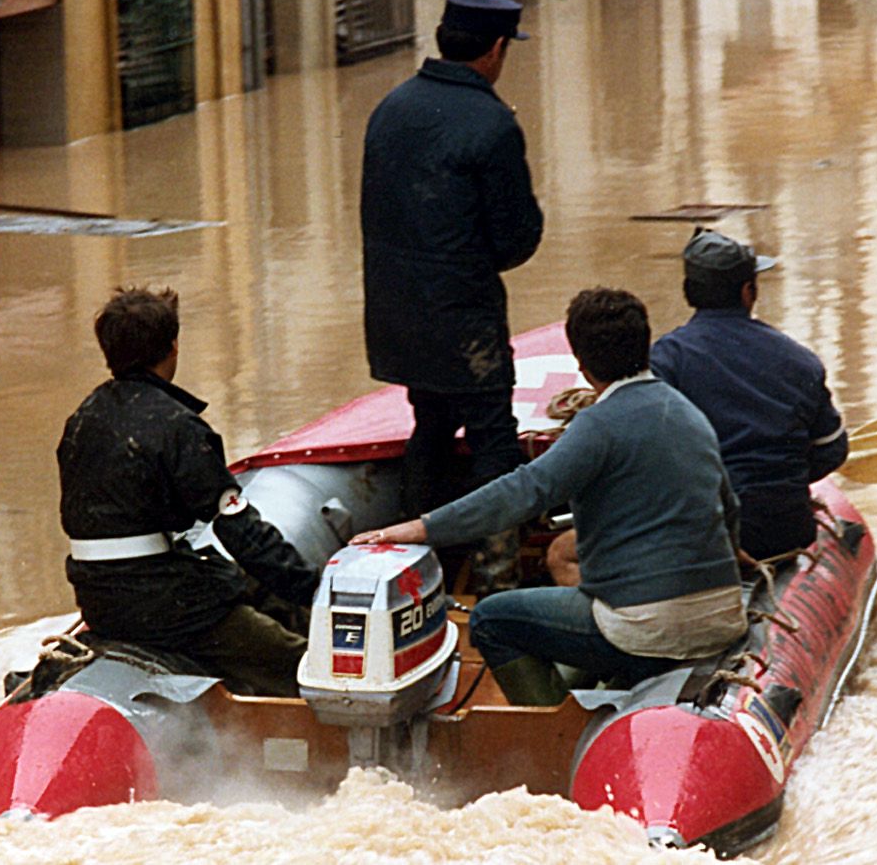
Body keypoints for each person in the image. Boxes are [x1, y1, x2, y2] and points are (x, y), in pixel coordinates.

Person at [351, 288, 746, 706]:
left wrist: (422, 528)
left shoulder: (596, 426)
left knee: (491, 619)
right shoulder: (690, 413)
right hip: (721, 614)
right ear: (645, 344)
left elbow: (522, 492)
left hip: (644, 626)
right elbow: (730, 510)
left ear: (580, 361)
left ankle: (555, 730)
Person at [360, 0, 544, 585]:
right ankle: (497, 578)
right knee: (493, 436)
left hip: (396, 312)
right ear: (494, 50)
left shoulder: (389, 108)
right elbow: (517, 239)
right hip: (464, 317)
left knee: (431, 424)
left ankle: (416, 564)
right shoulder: (492, 124)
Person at [57, 286, 319, 697]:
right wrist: (317, 591)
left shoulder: (82, 420)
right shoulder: (179, 428)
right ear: (173, 347)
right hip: (165, 606)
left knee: (249, 586)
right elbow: (242, 532)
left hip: (99, 599)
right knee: (294, 659)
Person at [648, 229, 849, 561]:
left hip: (712, 535)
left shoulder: (666, 361)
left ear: (688, 292)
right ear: (748, 291)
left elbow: (653, 457)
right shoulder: (800, 361)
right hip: (788, 530)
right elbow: (832, 450)